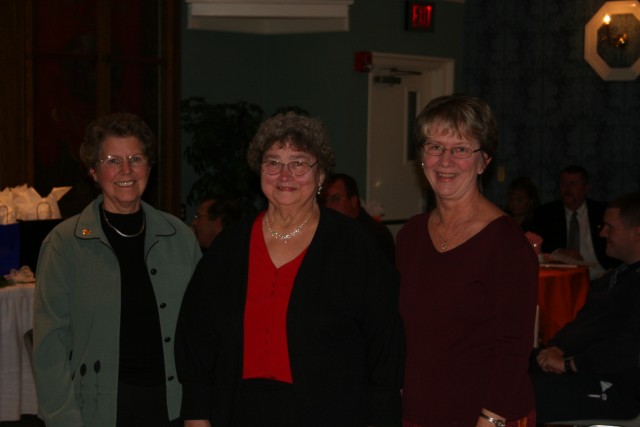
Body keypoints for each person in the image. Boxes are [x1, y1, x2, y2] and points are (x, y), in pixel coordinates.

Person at [175, 112, 405, 427]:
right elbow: (197, 337)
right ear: (259, 170)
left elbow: (386, 349)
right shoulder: (229, 247)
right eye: (273, 163)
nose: (285, 175)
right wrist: (196, 417)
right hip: (237, 411)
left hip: (331, 413)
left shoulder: (354, 248)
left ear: (321, 175)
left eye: (299, 163)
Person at [32, 113, 202, 427]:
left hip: (174, 405)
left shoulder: (179, 237)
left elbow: (201, 332)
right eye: (112, 160)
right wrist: (63, 420)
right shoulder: (64, 244)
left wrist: (200, 408)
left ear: (149, 166)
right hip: (98, 409)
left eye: (136, 158)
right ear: (94, 172)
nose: (126, 170)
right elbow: (50, 346)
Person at [396, 94, 538, 427]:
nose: (445, 161)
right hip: (420, 411)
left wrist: (491, 418)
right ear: (422, 157)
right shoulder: (410, 236)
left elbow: (515, 348)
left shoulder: (507, 244)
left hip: (487, 415)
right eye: (434, 147)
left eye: (461, 149)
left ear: (483, 161)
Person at [530, 191, 640, 424]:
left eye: (610, 228)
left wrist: (570, 363)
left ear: (637, 234)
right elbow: (586, 325)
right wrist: (557, 349)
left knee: (521, 394)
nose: (602, 233)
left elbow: (629, 348)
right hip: (583, 367)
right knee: (504, 365)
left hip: (618, 387)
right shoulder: (618, 277)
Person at [530, 165, 617, 279]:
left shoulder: (602, 212)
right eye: (563, 183)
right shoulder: (546, 213)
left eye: (573, 184)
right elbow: (536, 244)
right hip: (562, 278)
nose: (567, 189)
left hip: (599, 276)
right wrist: (557, 252)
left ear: (585, 188)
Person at [319, 172, 395, 263]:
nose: (328, 206)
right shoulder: (331, 230)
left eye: (336, 199)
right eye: (324, 201)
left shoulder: (373, 235)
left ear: (353, 201)